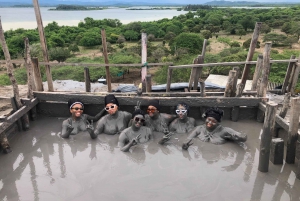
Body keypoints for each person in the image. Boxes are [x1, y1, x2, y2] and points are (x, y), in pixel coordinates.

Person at [182, 107, 247, 149]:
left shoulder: (224, 131)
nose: (210, 122)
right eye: (209, 119)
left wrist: (239, 138)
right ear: (206, 118)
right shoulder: (199, 129)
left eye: (213, 121)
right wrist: (184, 146)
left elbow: (243, 138)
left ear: (218, 122)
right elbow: (188, 139)